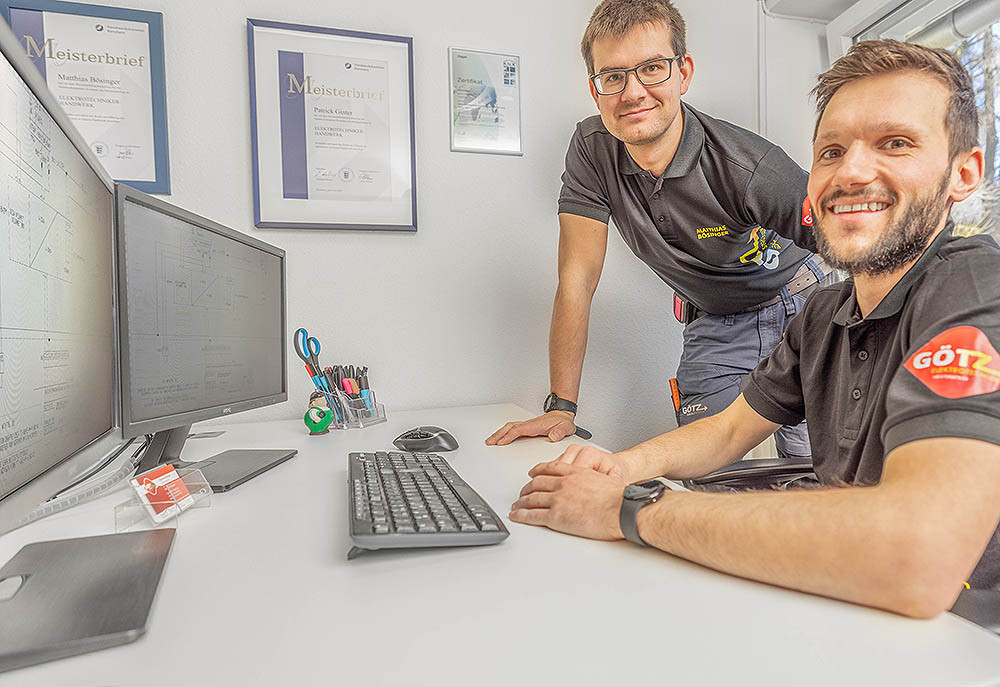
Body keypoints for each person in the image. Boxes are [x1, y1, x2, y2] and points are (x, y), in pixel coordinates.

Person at [508, 38, 1000, 619]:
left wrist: (630, 509)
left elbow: (917, 556)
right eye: (832, 151)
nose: (854, 171)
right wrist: (620, 466)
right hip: (855, 619)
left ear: (964, 173)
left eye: (895, 144)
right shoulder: (825, 316)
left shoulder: (976, 289)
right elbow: (725, 430)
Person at [486, 0, 828, 462]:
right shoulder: (592, 152)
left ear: (683, 73)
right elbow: (577, 280)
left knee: (814, 470)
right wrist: (561, 407)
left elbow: (856, 250)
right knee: (702, 472)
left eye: (652, 68)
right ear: (596, 89)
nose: (632, 92)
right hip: (714, 320)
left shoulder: (749, 167)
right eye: (613, 76)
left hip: (799, 306)